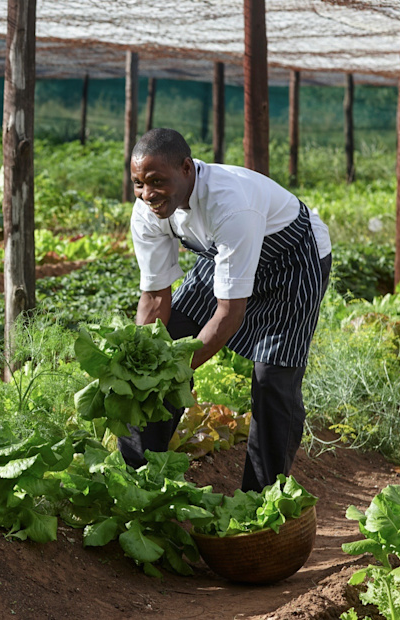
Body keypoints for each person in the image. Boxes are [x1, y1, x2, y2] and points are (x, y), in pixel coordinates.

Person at [119, 128, 332, 492]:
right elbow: (154, 299)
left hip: (292, 262)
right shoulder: (147, 212)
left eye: (157, 181)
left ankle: (260, 502)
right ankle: (138, 478)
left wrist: (175, 369)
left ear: (187, 169)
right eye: (139, 183)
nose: (147, 194)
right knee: (158, 352)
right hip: (227, 257)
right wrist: (143, 362)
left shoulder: (230, 203)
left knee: (272, 381)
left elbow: (229, 314)